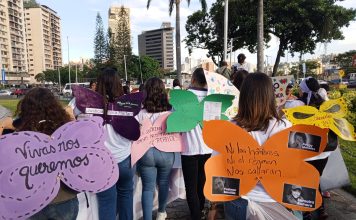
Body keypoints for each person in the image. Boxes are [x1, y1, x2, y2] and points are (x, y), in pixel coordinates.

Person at [224, 73, 297, 220]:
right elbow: (294, 168)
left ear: (243, 96)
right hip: (275, 199)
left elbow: (219, 167)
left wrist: (214, 203)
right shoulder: (285, 127)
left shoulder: (230, 127)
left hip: (237, 198)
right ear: (270, 96)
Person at [0, 88, 79, 220]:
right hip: (63, 197)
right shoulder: (66, 129)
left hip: (30, 200)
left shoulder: (17, 132)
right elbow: (80, 148)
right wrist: (71, 118)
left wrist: (3, 125)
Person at [69, 67, 135, 220]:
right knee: (126, 196)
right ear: (118, 84)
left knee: (106, 203)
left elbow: (71, 118)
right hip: (125, 158)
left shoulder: (82, 103)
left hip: (100, 162)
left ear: (98, 84)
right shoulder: (128, 104)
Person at [135, 77, 175, 220]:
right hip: (166, 151)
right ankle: (161, 213)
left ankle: (147, 218)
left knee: (147, 187)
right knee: (164, 183)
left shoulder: (140, 112)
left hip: (146, 152)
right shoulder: (170, 110)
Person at [181, 68, 212, 220]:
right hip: (208, 148)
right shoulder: (213, 97)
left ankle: (195, 215)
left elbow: (175, 118)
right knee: (202, 182)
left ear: (193, 79)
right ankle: (200, 210)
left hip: (189, 148)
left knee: (191, 186)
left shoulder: (185, 97)